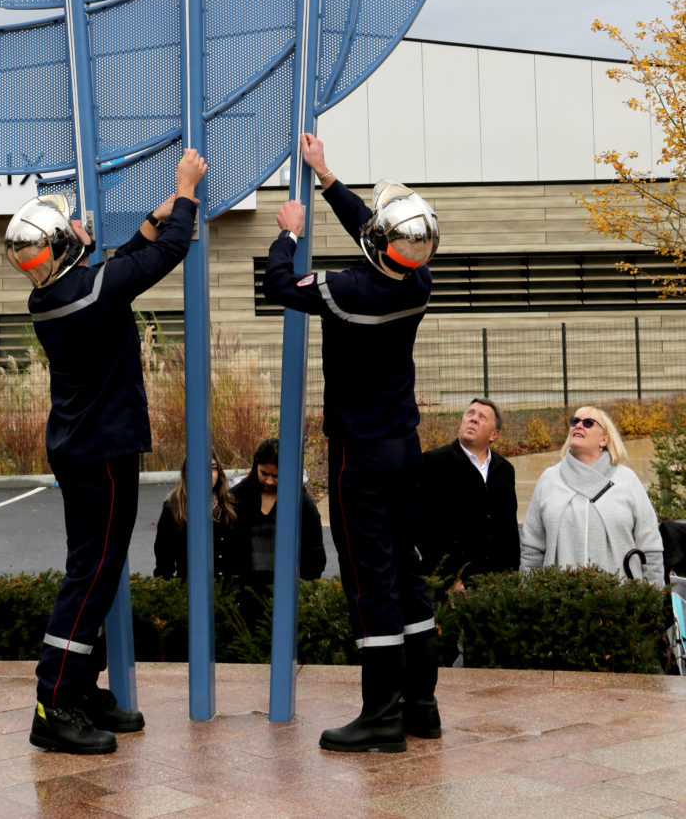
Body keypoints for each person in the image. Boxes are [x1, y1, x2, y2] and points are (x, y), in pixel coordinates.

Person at [5, 148, 206, 757]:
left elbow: (123, 263)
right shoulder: (90, 290)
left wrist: (154, 215)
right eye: (72, 228)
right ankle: (54, 702)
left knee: (96, 568)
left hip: (84, 448)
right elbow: (162, 258)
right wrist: (187, 192)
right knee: (90, 574)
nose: (81, 227)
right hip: (101, 452)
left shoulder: (60, 295)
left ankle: (80, 688)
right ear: (66, 249)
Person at [263, 132, 441, 754]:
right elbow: (378, 229)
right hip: (403, 446)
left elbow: (279, 286)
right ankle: (422, 705)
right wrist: (325, 175)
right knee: (407, 569)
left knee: (369, 580)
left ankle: (381, 715)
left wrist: (288, 231)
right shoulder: (414, 281)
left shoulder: (350, 290)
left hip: (359, 455)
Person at [520, 405, 663, 586]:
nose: (578, 425)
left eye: (588, 423)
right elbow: (532, 548)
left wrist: (655, 598)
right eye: (575, 421)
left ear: (604, 440)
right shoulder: (549, 479)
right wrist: (527, 597)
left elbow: (650, 547)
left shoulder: (627, 480)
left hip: (622, 602)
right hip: (560, 601)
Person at [417, 398, 520, 585]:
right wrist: (450, 580)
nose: (473, 419)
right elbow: (425, 529)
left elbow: (509, 532)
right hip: (452, 586)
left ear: (494, 434)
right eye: (469, 413)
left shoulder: (505, 469)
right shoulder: (434, 463)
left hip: (496, 586)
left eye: (482, 417)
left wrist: (510, 579)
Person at [227, 437, 326, 584]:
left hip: (287, 588)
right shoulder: (237, 497)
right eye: (264, 474)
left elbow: (314, 552)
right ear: (256, 467)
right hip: (242, 590)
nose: (269, 481)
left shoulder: (302, 503)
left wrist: (305, 588)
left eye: (276, 476)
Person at [154, 452, 237, 579]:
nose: (208, 474)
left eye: (213, 468)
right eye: (201, 468)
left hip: (229, 592)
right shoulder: (174, 506)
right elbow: (164, 559)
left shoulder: (229, 504)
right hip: (190, 590)